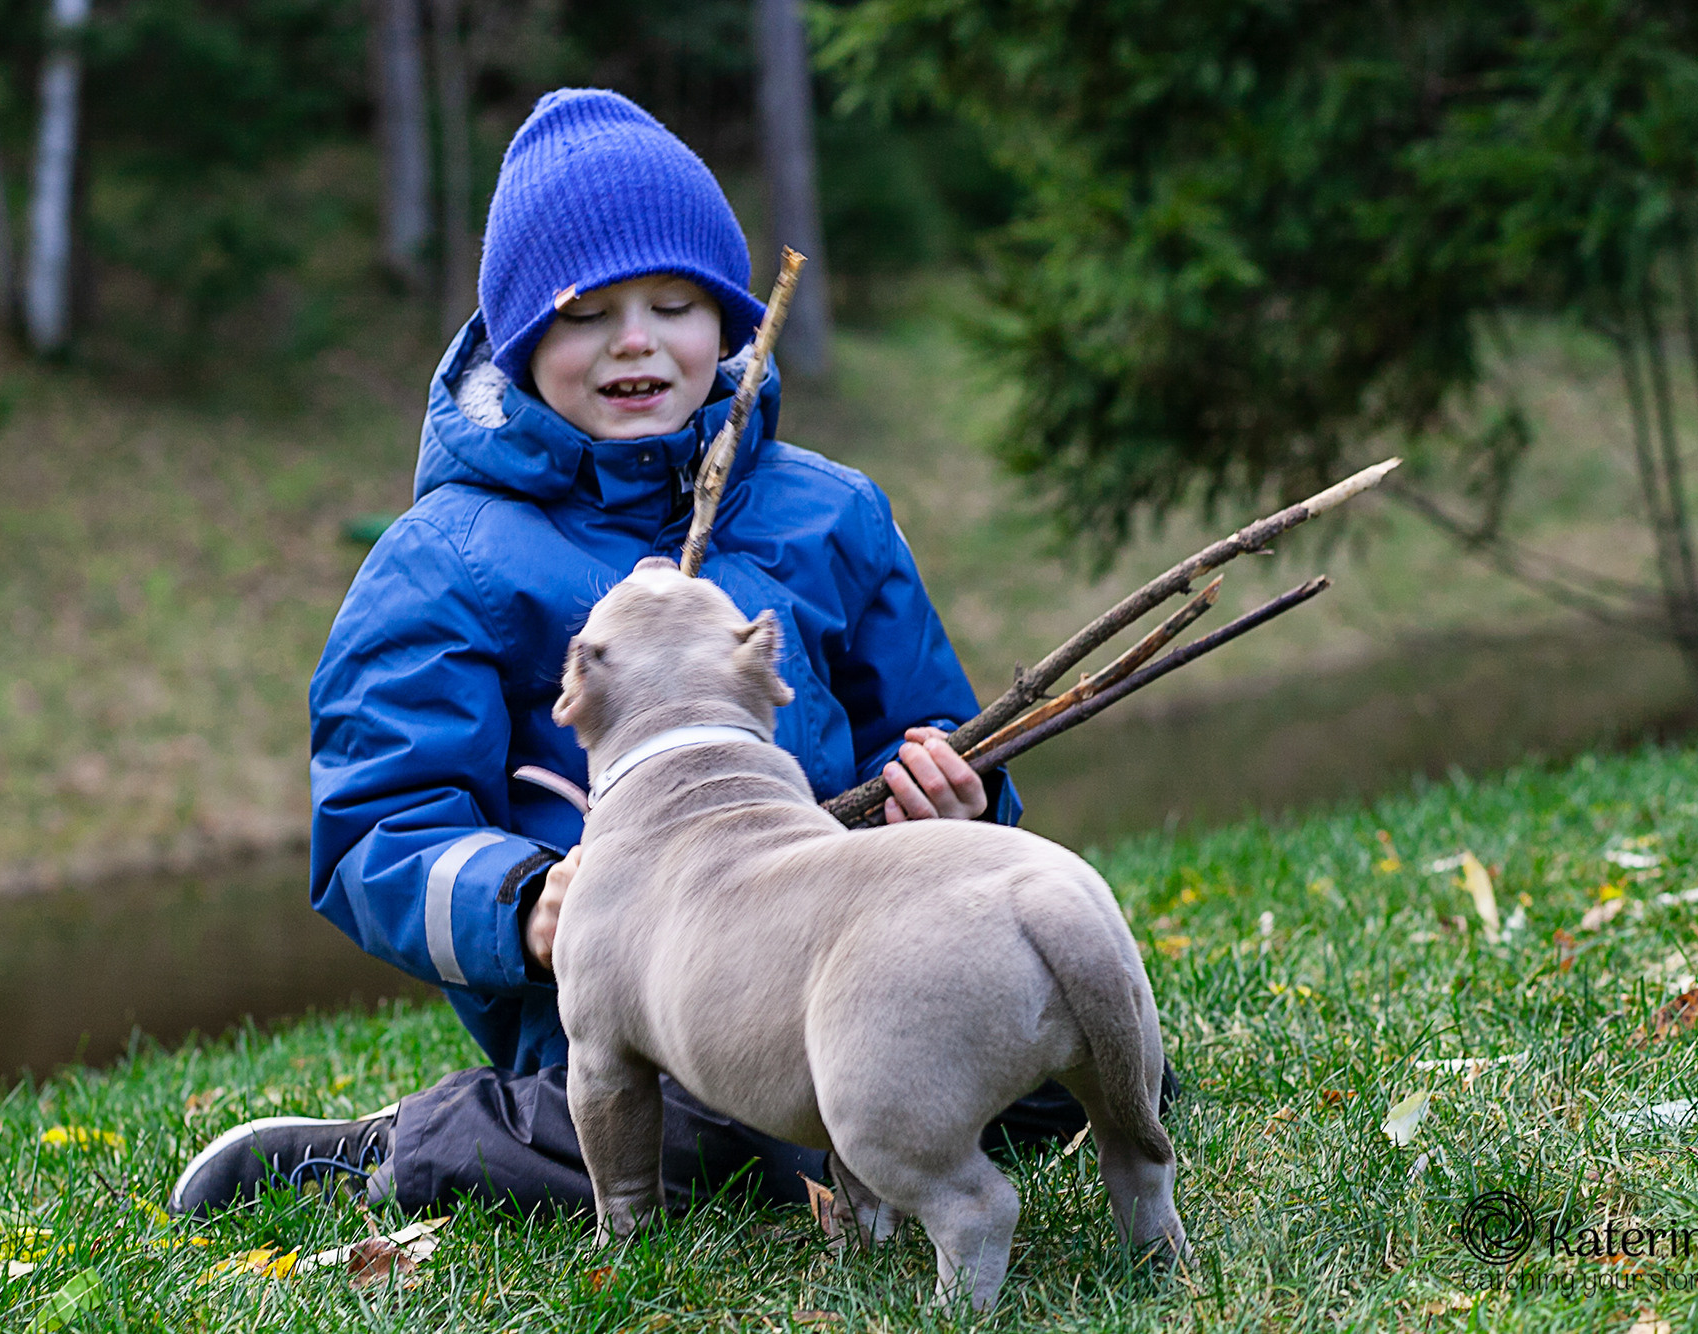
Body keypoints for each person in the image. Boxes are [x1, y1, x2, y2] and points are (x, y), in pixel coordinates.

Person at [167, 88, 1101, 1220]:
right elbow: (375, 827)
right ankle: (398, 1151)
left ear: (731, 323)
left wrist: (953, 791)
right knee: (708, 1130)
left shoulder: (831, 515)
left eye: (675, 303)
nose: (635, 341)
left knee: (1058, 1062)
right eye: (583, 312)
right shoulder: (449, 560)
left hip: (849, 964)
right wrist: (520, 905)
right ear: (518, 343)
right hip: (640, 1009)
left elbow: (927, 719)